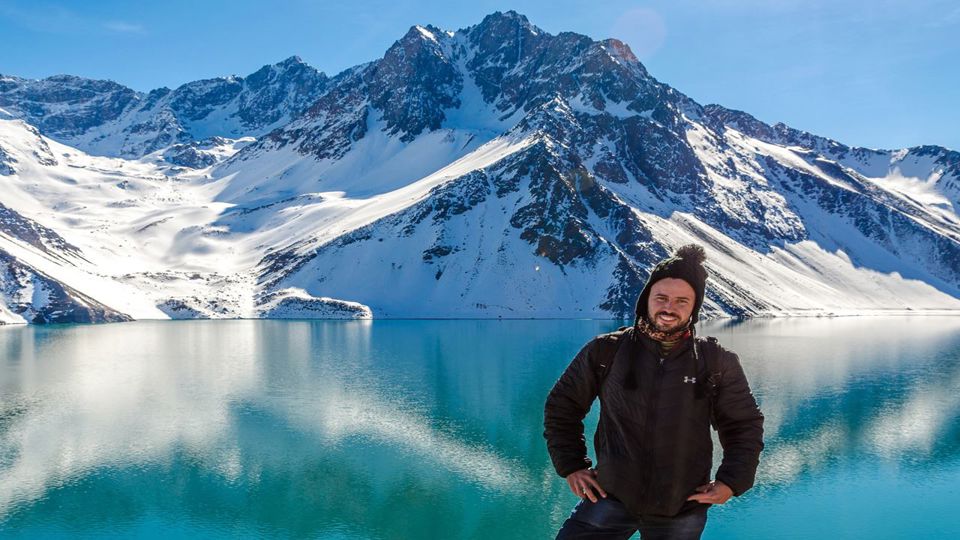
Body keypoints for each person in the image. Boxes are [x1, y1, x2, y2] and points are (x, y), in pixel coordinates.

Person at [543, 244, 764, 539]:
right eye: (661, 297)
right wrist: (572, 465)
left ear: (694, 308)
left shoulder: (716, 360)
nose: (669, 308)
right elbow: (562, 406)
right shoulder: (606, 351)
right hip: (609, 496)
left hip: (681, 507)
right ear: (646, 299)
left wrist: (732, 481)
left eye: (681, 301)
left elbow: (743, 425)